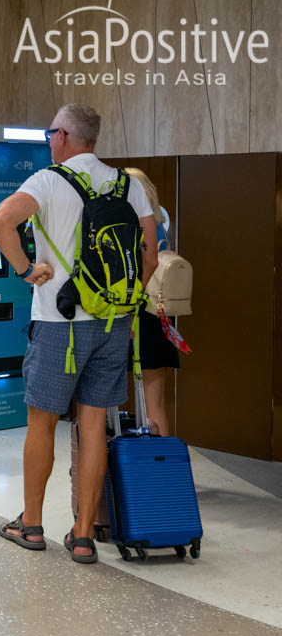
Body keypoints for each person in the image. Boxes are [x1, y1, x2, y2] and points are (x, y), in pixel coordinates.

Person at [0, 103, 157, 563]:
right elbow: (150, 259)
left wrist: (26, 270)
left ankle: (33, 523)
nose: (49, 140)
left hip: (58, 323)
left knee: (41, 422)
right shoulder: (130, 185)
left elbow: (0, 221)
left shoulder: (48, 180)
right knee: (92, 425)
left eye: (50, 132)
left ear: (63, 136)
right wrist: (119, 303)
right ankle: (83, 535)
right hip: (113, 324)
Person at [124, 167, 179, 436]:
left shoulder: (132, 228)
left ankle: (136, 470)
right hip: (158, 316)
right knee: (155, 402)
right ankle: (163, 468)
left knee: (140, 402)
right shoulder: (160, 226)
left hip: (136, 314)